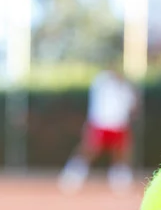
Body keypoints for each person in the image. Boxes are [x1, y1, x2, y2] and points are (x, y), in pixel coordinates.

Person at [58, 65, 140, 194]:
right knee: (90, 149)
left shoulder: (126, 88)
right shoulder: (102, 81)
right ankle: (73, 174)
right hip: (100, 123)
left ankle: (120, 177)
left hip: (119, 124)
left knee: (121, 151)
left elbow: (133, 106)